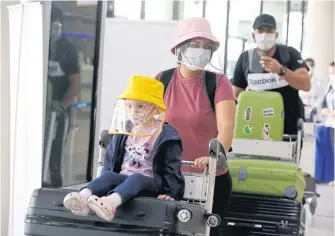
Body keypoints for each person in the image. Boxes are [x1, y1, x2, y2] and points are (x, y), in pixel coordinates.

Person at [63, 76, 185, 221]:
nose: (133, 111)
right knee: (109, 176)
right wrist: (103, 186)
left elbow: (171, 170)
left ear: (155, 107)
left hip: (149, 184)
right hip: (122, 180)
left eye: (140, 106)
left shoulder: (167, 136)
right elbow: (110, 160)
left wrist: (170, 194)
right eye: (129, 106)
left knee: (136, 178)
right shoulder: (124, 131)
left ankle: (109, 204)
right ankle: (82, 198)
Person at [155, 17, 236, 236]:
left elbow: (226, 127)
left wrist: (215, 156)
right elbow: (148, 126)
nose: (201, 51)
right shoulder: (161, 80)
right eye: (194, 44)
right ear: (180, 48)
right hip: (168, 178)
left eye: (206, 46)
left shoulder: (218, 82)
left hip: (209, 181)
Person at [231, 14, 311, 135]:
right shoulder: (245, 58)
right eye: (260, 31)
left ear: (276, 35)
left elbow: (306, 84)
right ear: (254, 35)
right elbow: (236, 96)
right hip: (254, 127)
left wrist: (281, 70)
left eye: (269, 31)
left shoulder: (289, 54)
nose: (264, 35)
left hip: (287, 130)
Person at [43, 4, 81, 187]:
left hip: (58, 114)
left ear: (57, 25)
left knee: (54, 157)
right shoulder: (37, 45)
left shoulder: (67, 50)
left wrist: (60, 107)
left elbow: (75, 86)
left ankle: (55, 189)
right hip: (40, 112)